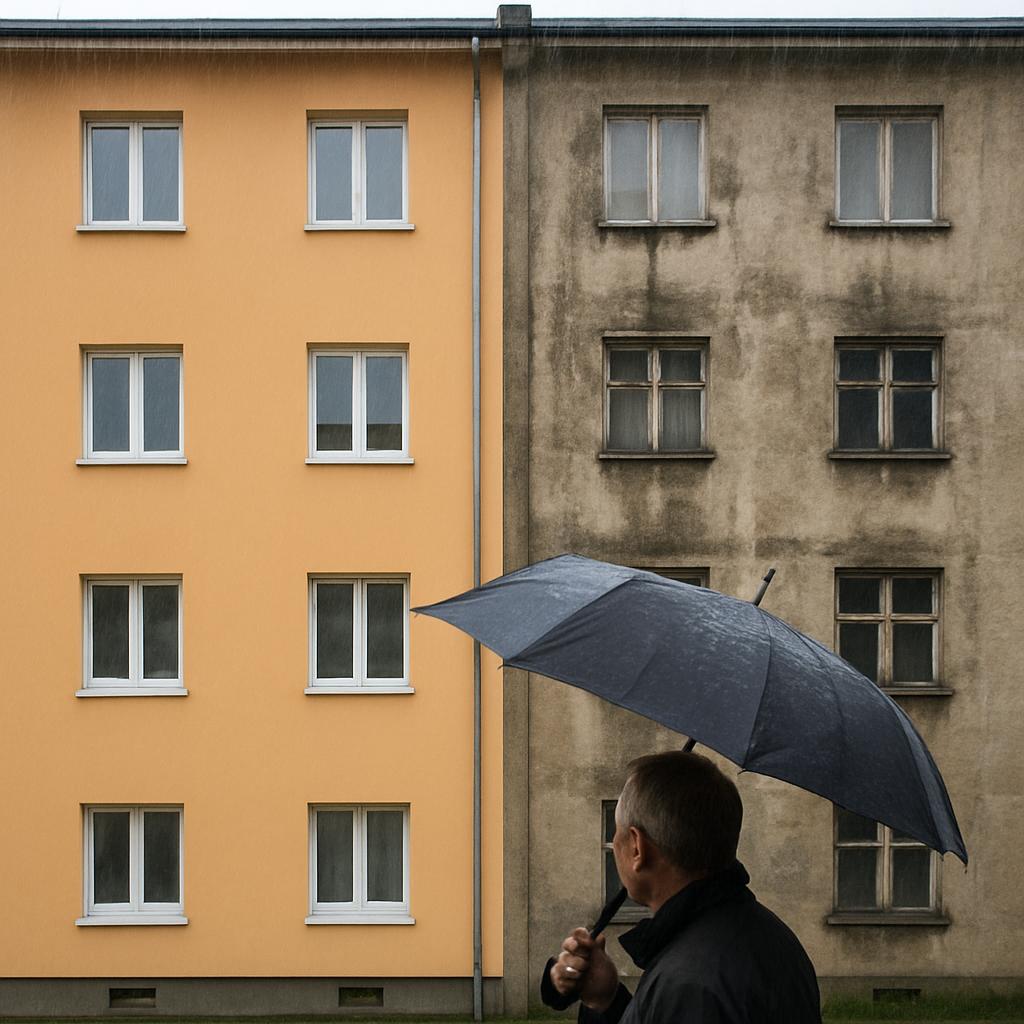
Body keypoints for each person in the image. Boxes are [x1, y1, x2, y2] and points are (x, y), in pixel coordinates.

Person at [541, 752, 821, 1024]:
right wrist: (606, 1001)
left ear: (637, 847)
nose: (615, 842)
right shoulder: (767, 936)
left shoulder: (690, 986)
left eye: (617, 830)